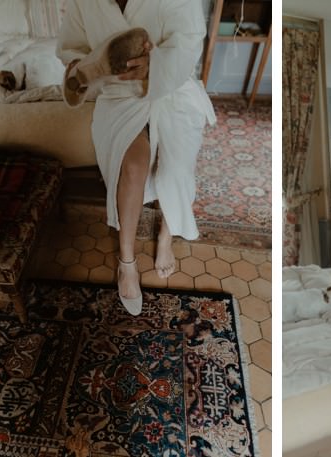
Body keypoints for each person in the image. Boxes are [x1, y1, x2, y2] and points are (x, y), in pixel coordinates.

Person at [58, 0, 216, 315]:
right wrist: (79, 66)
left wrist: (156, 66)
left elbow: (189, 41)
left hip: (173, 87)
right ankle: (127, 261)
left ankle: (166, 237)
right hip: (119, 94)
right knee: (131, 167)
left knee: (175, 170)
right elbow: (71, 45)